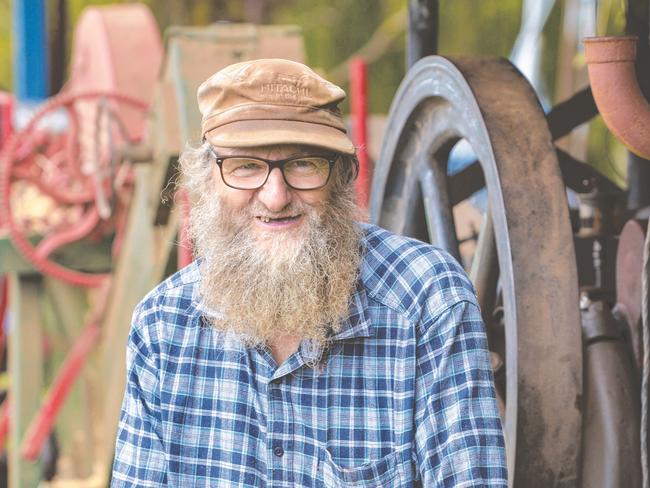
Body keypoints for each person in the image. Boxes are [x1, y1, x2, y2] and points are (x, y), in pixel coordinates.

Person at [111, 58, 507, 487]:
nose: (276, 197)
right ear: (209, 183)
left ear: (340, 176)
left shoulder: (428, 303)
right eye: (245, 166)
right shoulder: (162, 327)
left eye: (303, 164)